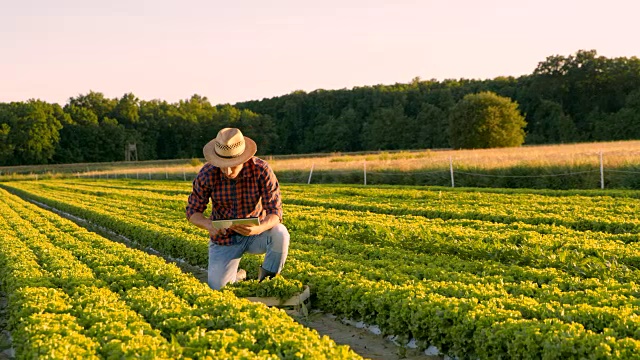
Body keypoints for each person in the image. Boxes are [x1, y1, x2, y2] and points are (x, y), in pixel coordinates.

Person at [186, 127, 289, 290]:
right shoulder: (207, 173)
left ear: (243, 158)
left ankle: (267, 285)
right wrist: (208, 225)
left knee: (280, 233)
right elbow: (192, 211)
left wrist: (259, 228)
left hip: (256, 235)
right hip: (224, 239)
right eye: (222, 165)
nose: (227, 171)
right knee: (218, 288)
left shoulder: (261, 170)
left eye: (232, 165)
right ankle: (237, 275)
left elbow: (275, 212)